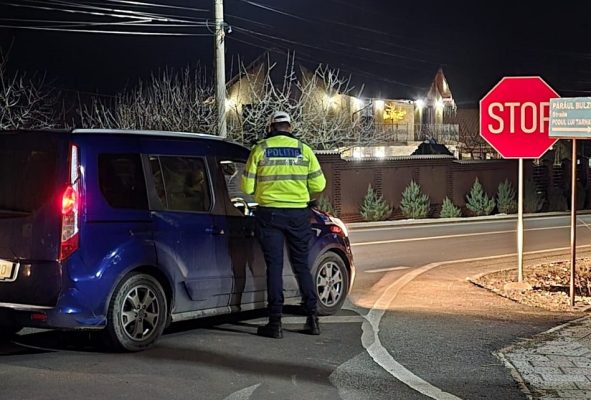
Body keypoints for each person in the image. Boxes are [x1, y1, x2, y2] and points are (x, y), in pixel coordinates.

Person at [241, 110, 326, 339]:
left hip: (269, 214)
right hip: (298, 215)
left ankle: (275, 323)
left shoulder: (260, 149)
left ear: (270, 127)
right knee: (301, 266)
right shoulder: (304, 149)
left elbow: (246, 188)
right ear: (290, 127)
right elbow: (319, 184)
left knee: (274, 267)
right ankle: (313, 319)